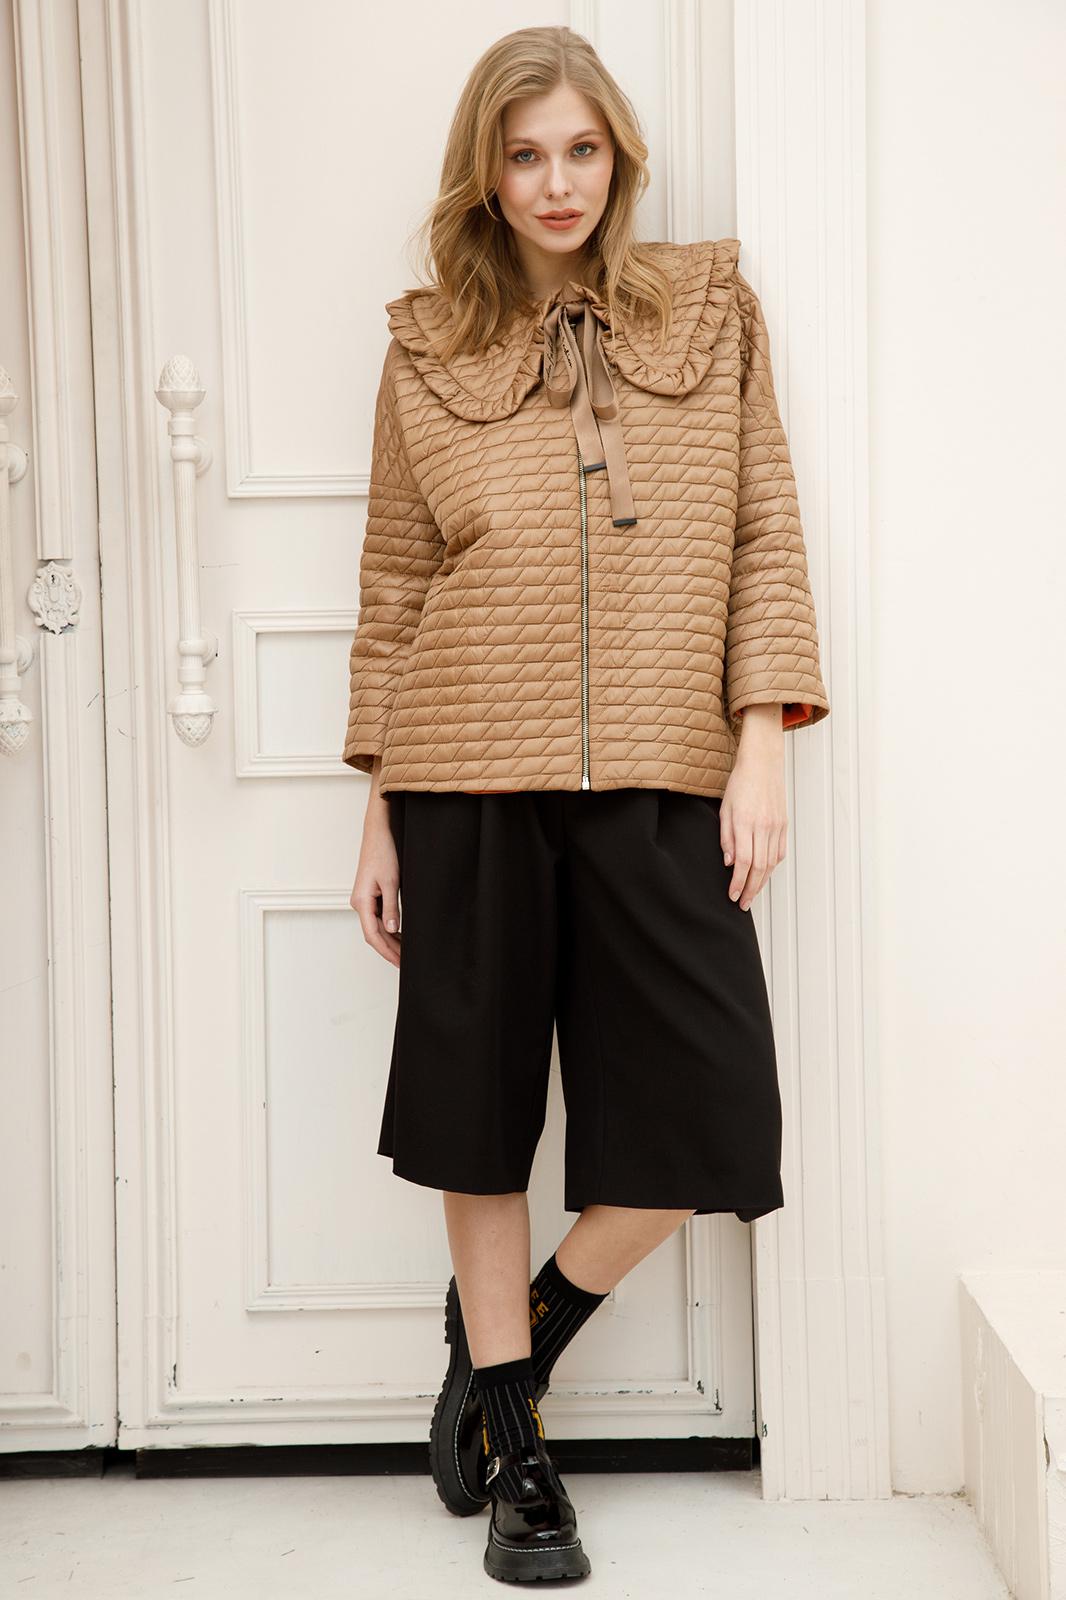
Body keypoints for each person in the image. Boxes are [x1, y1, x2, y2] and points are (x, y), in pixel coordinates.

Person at [343, 24, 829, 1586]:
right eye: (523, 155)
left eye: (579, 150)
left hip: (661, 772)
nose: (555, 182)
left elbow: (760, 530)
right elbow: (395, 584)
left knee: (706, 1115)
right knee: (476, 1118)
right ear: (485, 176)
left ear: (618, 157)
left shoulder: (709, 311)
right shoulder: (429, 345)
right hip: (460, 775)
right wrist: (377, 812)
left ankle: (519, 1335)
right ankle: (521, 1460)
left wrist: (760, 742)